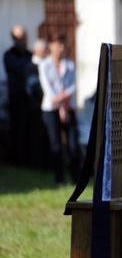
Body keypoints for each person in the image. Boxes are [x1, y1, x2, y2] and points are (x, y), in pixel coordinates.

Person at [39, 34, 81, 186]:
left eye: (62, 45)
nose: (61, 48)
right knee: (56, 144)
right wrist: (59, 104)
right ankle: (59, 179)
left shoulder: (69, 64)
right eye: (58, 45)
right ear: (51, 46)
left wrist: (63, 102)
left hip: (68, 106)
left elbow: (73, 85)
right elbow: (48, 88)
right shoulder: (45, 65)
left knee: (73, 144)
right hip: (51, 109)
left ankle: (77, 178)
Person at [3, 24, 33, 166]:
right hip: (17, 98)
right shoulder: (9, 55)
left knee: (30, 131)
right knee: (18, 131)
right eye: (20, 38)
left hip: (30, 100)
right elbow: (23, 69)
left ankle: (30, 160)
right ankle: (18, 161)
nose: (23, 41)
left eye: (24, 38)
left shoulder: (29, 55)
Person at [24, 38, 49, 171]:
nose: (47, 52)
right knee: (37, 137)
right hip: (36, 107)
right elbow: (32, 88)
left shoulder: (47, 64)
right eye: (44, 50)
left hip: (46, 106)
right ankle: (38, 165)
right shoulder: (32, 67)